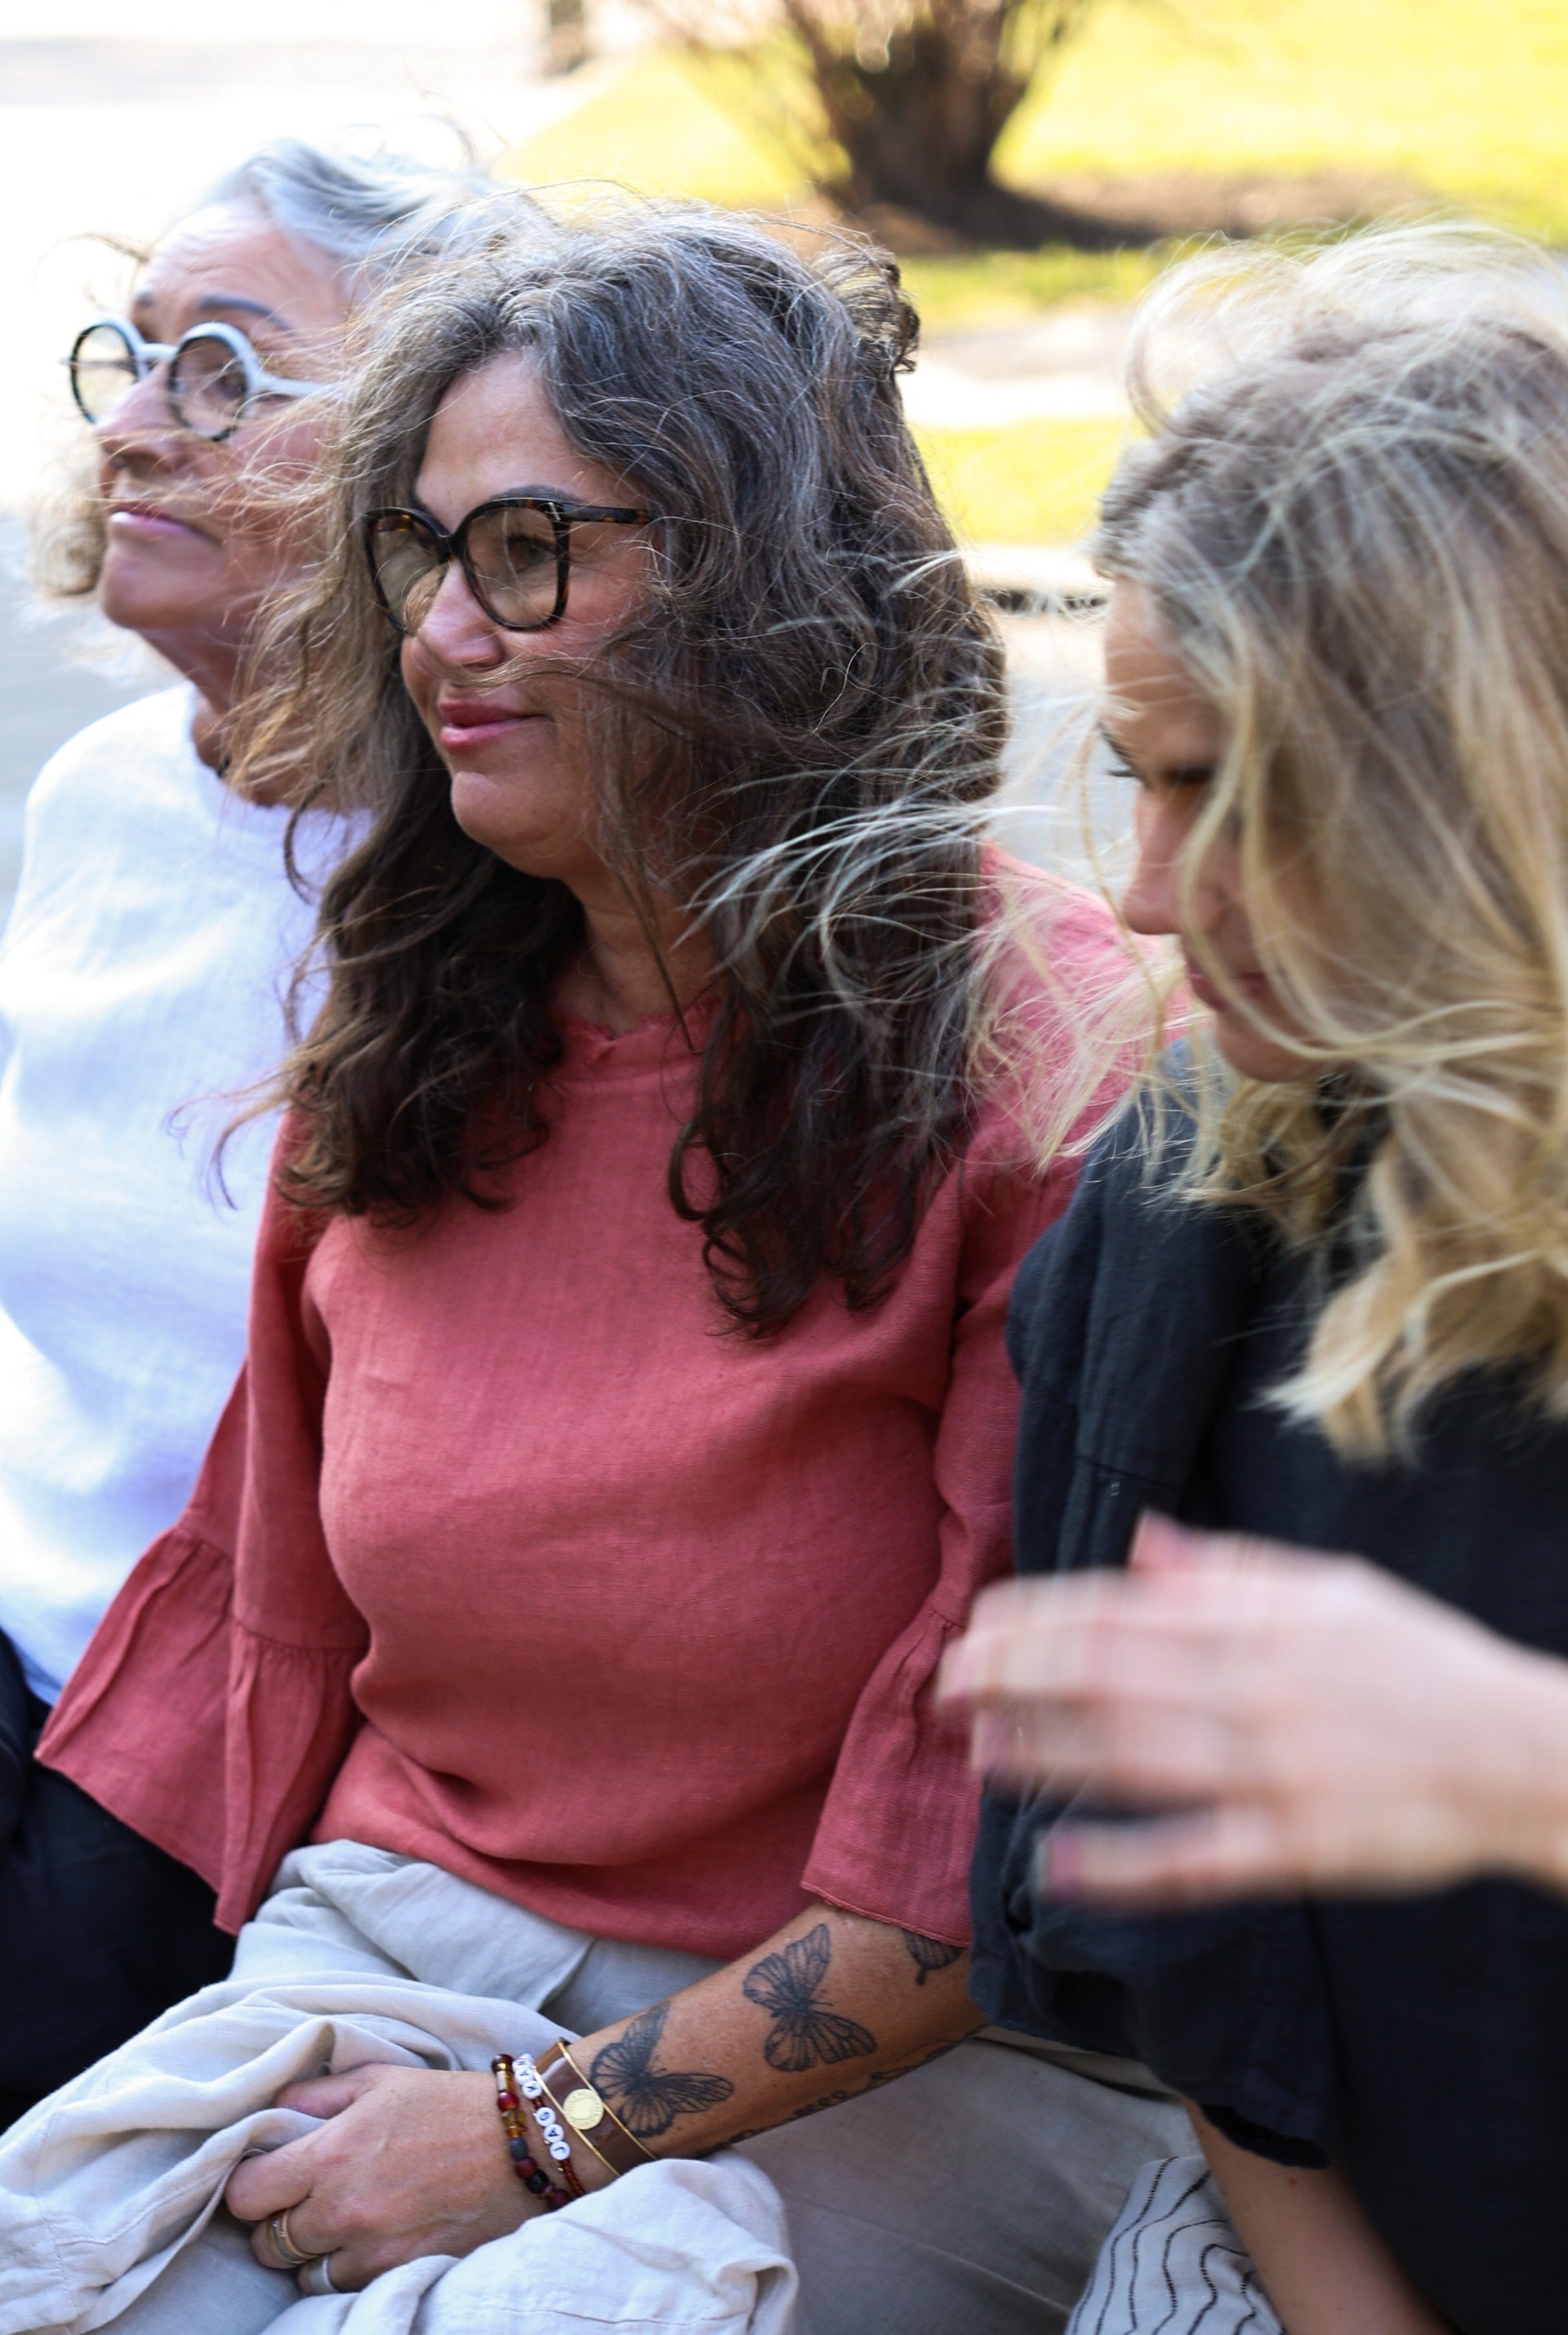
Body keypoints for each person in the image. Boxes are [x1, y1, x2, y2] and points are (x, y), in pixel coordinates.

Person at [0, 200, 1187, 2333]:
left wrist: (537, 2130)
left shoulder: (1048, 1067)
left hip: (887, 2046)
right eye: (421, 553)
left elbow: (977, 1850)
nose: (446, 632)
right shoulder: (416, 1028)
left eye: (532, 551)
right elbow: (261, 1615)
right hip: (392, 1945)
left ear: (760, 581)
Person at [945, 227, 1568, 2335]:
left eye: (1223, 785)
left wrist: (1520, 1758)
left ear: (1484, 771)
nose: (1140, 895)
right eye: (1136, 777)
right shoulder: (1190, 1204)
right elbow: (1228, 2006)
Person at [0, 138, 502, 2128]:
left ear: (424, 471)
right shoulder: (110, 790)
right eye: (134, 354)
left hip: (238, 1754)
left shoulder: (489, 877)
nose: (135, 424)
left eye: (224, 372)